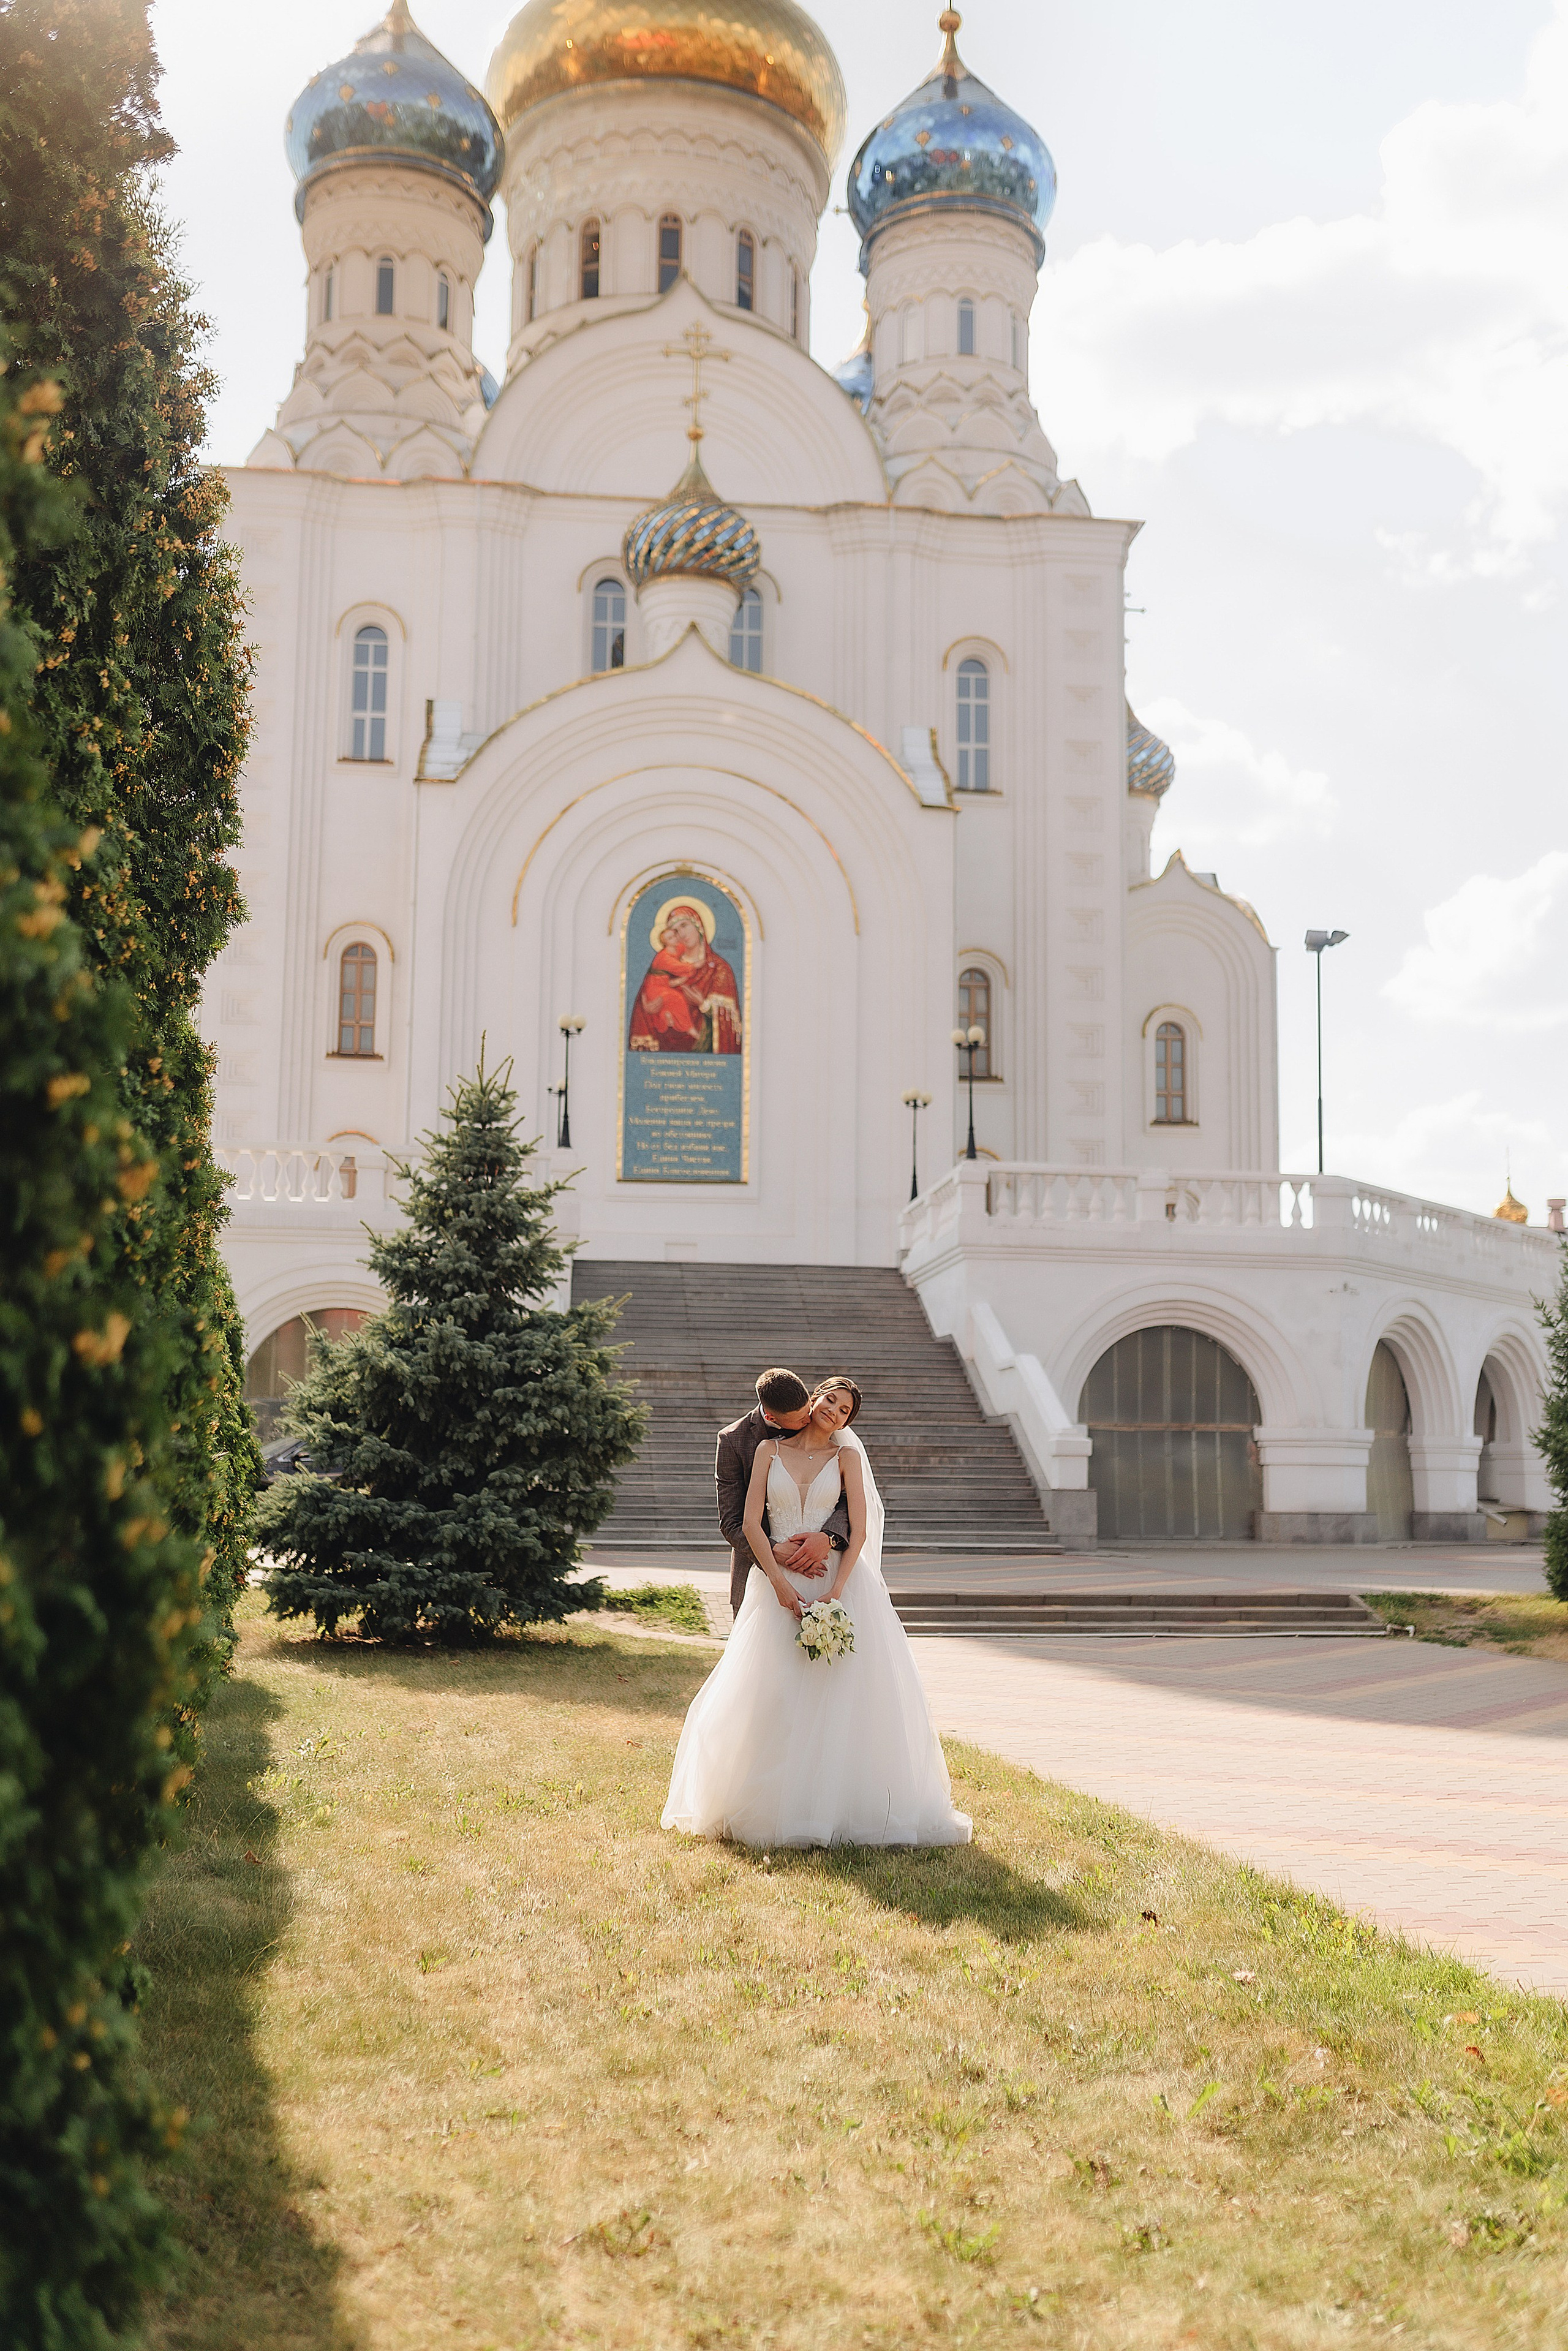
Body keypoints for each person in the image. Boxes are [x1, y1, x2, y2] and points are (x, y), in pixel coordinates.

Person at [664, 1376, 972, 1849]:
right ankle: (767, 1801)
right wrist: (781, 1581)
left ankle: (838, 1806)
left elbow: (860, 1528)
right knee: (771, 1692)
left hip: (835, 1585)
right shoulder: (764, 1450)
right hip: (775, 1584)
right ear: (813, 1398)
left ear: (848, 1421)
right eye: (830, 1399)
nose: (834, 1411)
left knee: (839, 1696)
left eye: (844, 1410)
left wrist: (838, 1591)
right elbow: (744, 1523)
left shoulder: (847, 1458)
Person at [715, 1367, 850, 1620]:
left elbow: (846, 1495)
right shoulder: (734, 1440)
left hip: (822, 1565)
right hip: (759, 1571)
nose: (809, 1419)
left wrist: (829, 1537)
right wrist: (774, 1550)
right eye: (800, 1420)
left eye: (809, 1408)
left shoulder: (820, 1420)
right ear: (772, 1417)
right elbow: (731, 1521)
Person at [627, 902, 742, 1054]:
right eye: (674, 931)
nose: (681, 934)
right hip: (664, 1056)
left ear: (698, 926)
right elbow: (647, 996)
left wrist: (703, 1004)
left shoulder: (719, 970)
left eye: (684, 925)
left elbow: (729, 1025)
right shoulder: (666, 967)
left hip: (705, 1062)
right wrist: (647, 1009)